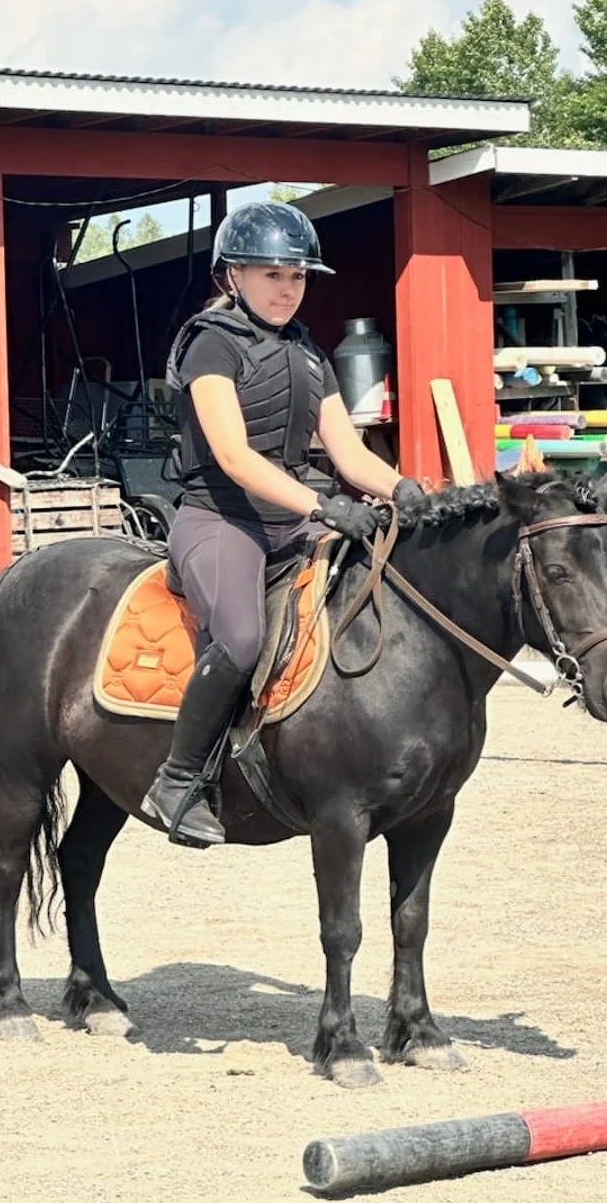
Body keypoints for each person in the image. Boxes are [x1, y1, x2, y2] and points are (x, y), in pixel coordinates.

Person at [140, 199, 428, 847]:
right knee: (241, 638)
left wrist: (409, 489)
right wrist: (323, 507)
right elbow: (235, 457)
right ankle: (178, 781)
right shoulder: (208, 344)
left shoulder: (307, 352)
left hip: (292, 520)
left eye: (296, 276)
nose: (287, 289)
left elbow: (350, 455)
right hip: (221, 517)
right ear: (233, 275)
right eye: (272, 274)